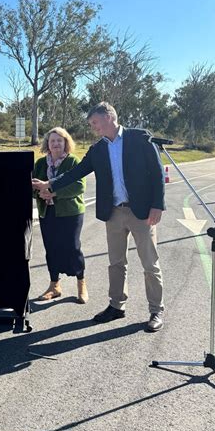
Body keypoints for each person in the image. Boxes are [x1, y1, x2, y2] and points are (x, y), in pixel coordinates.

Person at [32, 102, 166, 332]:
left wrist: (157, 205)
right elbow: (76, 172)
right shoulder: (98, 149)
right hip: (113, 213)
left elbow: (156, 172)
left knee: (149, 264)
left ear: (109, 117)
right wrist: (50, 184)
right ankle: (116, 306)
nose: (92, 127)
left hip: (141, 212)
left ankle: (156, 310)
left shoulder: (140, 139)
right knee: (116, 263)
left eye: (94, 122)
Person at [33, 127, 88, 304]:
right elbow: (33, 186)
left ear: (66, 143)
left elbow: (79, 186)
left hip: (71, 213)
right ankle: (54, 286)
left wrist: (53, 193)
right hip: (47, 212)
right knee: (51, 248)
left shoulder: (73, 161)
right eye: (52, 141)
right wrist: (40, 194)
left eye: (60, 140)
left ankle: (81, 283)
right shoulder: (41, 164)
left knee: (72, 247)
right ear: (47, 144)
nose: (56, 144)